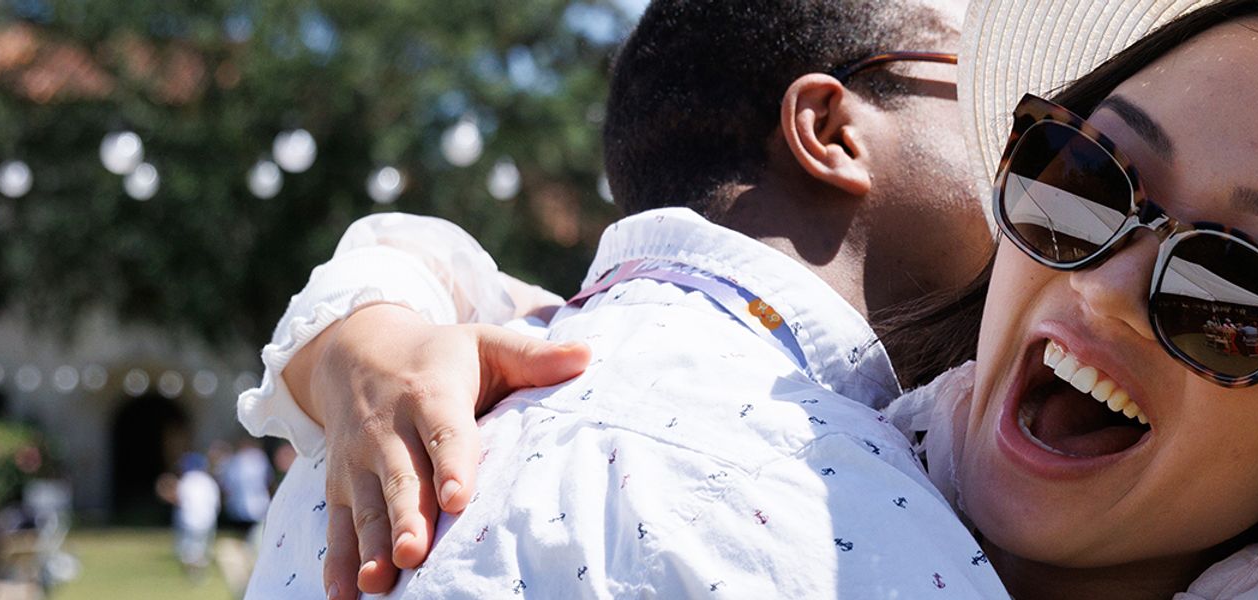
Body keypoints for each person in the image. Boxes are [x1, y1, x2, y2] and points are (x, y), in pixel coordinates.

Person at [253, 0, 1258, 597]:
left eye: (1235, 291)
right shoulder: (777, 446)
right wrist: (369, 318)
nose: (1099, 287)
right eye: (1083, 177)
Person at [238, 0, 998, 597]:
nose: (1037, 141)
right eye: (990, 82)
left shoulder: (373, 436)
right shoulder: (837, 508)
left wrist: (357, 324)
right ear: (829, 130)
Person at [172, 452, 222, 578]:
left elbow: (180, 500)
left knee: (189, 548)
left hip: (189, 519)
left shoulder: (186, 480)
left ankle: (193, 572)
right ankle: (200, 569)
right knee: (202, 547)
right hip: (208, 519)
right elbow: (216, 502)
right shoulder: (209, 481)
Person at [221, 439, 274, 533]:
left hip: (238, 509)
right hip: (259, 507)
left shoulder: (236, 460)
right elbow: (269, 481)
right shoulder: (260, 458)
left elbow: (227, 486)